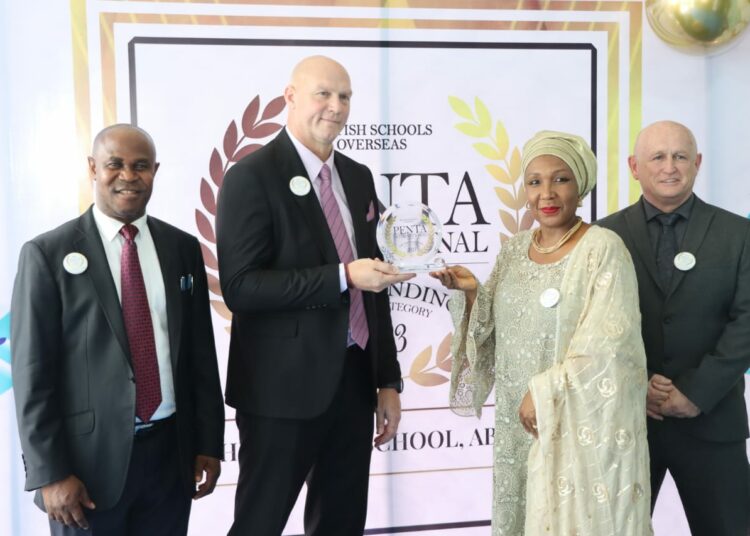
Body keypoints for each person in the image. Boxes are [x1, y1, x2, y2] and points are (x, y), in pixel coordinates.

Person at [216, 55, 413, 536]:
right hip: (278, 394)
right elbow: (241, 287)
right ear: (290, 97)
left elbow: (376, 287)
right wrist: (342, 275)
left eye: (344, 96)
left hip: (353, 384)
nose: (336, 106)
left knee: (342, 524)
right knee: (259, 524)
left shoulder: (359, 176)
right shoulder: (251, 176)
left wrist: (387, 380)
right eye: (323, 93)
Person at [431, 131, 652, 536]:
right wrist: (472, 293)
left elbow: (610, 344)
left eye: (560, 179)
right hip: (519, 424)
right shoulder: (515, 249)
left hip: (572, 424)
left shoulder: (602, 248)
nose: (546, 193)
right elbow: (494, 329)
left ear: (580, 186)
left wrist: (548, 390)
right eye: (534, 181)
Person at [11, 124, 225, 535]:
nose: (128, 176)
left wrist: (207, 443)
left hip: (170, 458)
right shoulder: (47, 254)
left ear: (155, 171)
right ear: (93, 168)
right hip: (85, 472)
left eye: (140, 166)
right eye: (115, 164)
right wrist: (50, 473)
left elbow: (200, 354)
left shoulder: (181, 248)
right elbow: (32, 375)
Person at [597, 120, 750, 535]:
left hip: (713, 421)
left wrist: (695, 392)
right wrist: (637, 385)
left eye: (680, 156)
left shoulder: (739, 234)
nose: (670, 167)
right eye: (657, 157)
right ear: (633, 166)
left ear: (697, 163)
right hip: (627, 424)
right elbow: (590, 330)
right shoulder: (602, 237)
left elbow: (747, 322)